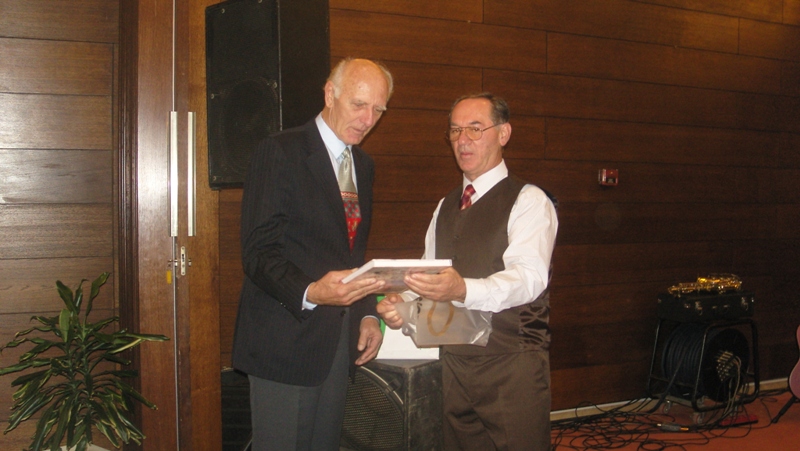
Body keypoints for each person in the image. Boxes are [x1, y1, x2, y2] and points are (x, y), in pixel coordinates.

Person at [378, 93, 558, 450]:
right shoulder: (445, 205)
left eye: (475, 129)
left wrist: (463, 290)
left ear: (503, 133)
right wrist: (401, 301)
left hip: (511, 365)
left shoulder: (529, 200)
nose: (463, 140)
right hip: (452, 366)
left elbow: (529, 278)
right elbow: (429, 274)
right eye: (455, 130)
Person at [232, 58, 393, 451]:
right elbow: (257, 253)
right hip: (283, 341)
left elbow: (352, 253)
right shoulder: (280, 151)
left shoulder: (363, 165)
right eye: (359, 104)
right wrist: (311, 291)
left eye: (378, 109)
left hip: (336, 344)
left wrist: (367, 314)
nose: (368, 119)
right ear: (329, 94)